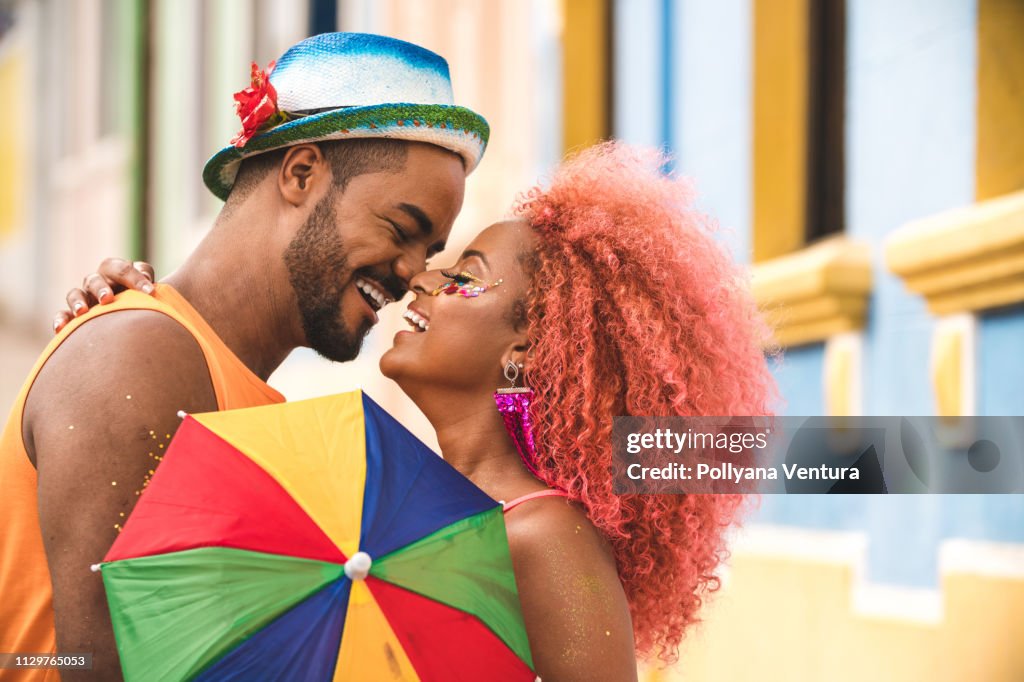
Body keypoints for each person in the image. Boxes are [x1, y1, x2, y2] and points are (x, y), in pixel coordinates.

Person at [64, 142, 777, 680]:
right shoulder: (381, 513)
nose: (423, 279)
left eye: (463, 275)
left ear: (524, 350)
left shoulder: (546, 536)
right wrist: (126, 305)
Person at [0, 32, 489, 681]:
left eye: (429, 253)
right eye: (402, 230)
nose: (409, 274)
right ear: (301, 174)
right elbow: (93, 667)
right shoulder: (140, 358)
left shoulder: (227, 389)